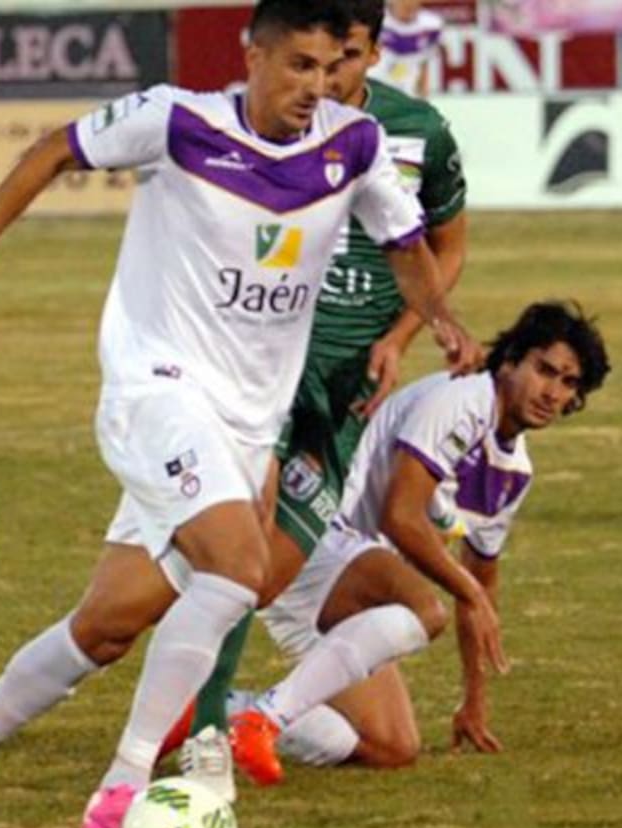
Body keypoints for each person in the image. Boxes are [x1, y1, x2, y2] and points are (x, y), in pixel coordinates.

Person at [0, 0, 476, 828]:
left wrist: (441, 321)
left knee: (107, 627)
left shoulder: (354, 144)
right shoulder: (177, 122)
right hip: (156, 391)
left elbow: (405, 244)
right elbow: (54, 149)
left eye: (331, 67)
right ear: (253, 56)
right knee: (238, 566)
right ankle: (125, 786)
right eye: (299, 65)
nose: (317, 86)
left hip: (246, 424)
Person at [167, 0, 468, 774]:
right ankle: (204, 732)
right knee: (246, 548)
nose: (328, 77)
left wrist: (401, 338)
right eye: (317, 60)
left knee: (266, 586)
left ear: (373, 53)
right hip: (266, 367)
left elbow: (447, 247)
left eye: (347, 58)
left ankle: (220, 705)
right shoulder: (266, 122)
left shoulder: (416, 132)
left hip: (345, 389)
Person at [227, 301, 611, 782]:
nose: (552, 393)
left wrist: (473, 701)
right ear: (510, 360)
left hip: (349, 578)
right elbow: (402, 517)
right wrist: (469, 592)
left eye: (569, 383)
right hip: (315, 536)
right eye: (544, 370)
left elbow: (481, 584)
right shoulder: (465, 398)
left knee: (391, 746)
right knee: (424, 609)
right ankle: (263, 719)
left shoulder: (514, 472)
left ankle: (218, 713)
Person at [369, 0, 445, 98]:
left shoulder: (431, 26)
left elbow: (426, 63)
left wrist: (423, 97)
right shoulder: (374, 22)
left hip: (408, 89)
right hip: (375, 85)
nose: (408, 4)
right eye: (403, 1)